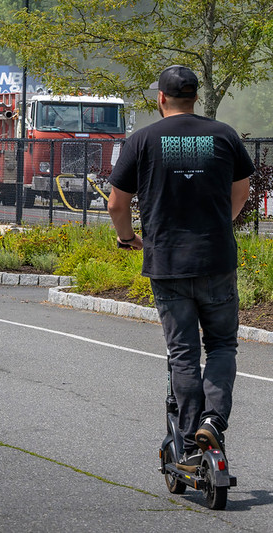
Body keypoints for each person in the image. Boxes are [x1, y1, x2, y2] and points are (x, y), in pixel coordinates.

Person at [107, 65, 254, 472]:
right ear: (195, 98)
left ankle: (189, 442)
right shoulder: (223, 134)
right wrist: (221, 222)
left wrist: (126, 238)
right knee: (222, 345)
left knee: (183, 353)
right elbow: (241, 190)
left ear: (160, 99)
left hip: (168, 261)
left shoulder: (142, 140)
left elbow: (117, 204)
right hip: (217, 259)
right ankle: (213, 421)